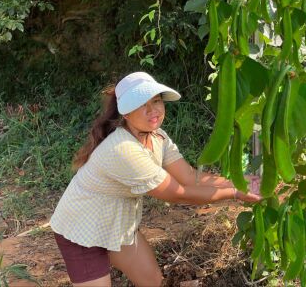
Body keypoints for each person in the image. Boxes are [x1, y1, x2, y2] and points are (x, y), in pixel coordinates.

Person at [50, 72, 262, 287]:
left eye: (157, 101)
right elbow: (178, 194)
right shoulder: (124, 150)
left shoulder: (157, 136)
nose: (153, 110)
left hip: (117, 224)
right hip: (81, 230)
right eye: (142, 104)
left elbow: (188, 177)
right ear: (126, 113)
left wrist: (240, 181)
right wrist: (234, 193)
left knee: (151, 280)